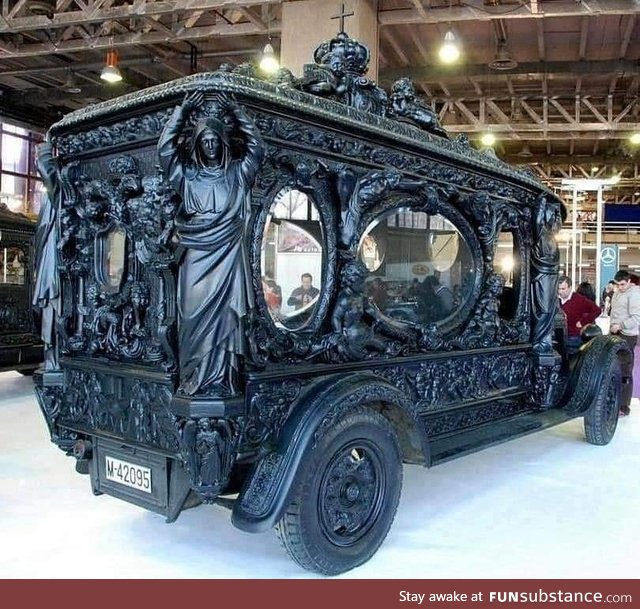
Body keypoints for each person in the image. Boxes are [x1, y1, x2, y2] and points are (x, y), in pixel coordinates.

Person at [157, 90, 265, 397]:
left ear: (222, 143)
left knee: (227, 320)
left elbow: (257, 149)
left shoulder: (237, 174)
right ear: (198, 146)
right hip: (194, 255)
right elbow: (165, 153)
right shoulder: (188, 177)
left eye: (214, 141)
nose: (210, 146)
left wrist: (236, 109)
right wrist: (181, 112)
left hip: (228, 255)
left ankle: (223, 381)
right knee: (191, 319)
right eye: (204, 142)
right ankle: (194, 377)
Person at [609, 270, 640, 416]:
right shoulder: (617, 292)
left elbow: (637, 318)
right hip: (615, 333)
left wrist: (620, 325)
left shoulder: (634, 293)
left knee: (625, 371)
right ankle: (614, 401)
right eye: (617, 285)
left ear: (628, 281)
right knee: (614, 368)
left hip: (628, 336)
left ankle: (623, 406)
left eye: (622, 284)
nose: (620, 287)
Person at [557, 275, 601, 355]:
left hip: (573, 338)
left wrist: (583, 322)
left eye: (563, 289)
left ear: (570, 288)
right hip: (558, 338)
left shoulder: (580, 300)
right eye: (559, 289)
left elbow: (597, 310)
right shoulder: (555, 300)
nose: (560, 291)